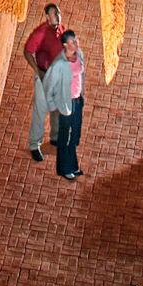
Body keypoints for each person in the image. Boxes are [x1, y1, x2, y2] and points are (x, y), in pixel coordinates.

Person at [39, 30, 85, 180]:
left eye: (76, 40)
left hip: (77, 100)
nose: (76, 44)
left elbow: (80, 75)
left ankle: (73, 166)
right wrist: (53, 105)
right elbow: (49, 84)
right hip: (66, 104)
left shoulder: (79, 55)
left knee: (74, 135)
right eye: (72, 42)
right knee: (66, 136)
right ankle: (64, 169)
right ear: (65, 45)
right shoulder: (59, 64)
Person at [23, 3, 65, 161]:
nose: (58, 16)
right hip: (44, 76)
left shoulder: (61, 30)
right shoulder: (40, 33)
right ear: (47, 17)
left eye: (59, 13)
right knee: (40, 111)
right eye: (55, 14)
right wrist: (38, 71)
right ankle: (34, 145)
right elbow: (27, 51)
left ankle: (55, 139)